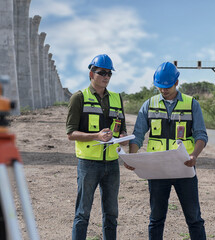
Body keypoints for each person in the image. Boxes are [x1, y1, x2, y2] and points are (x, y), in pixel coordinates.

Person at [125, 62, 207, 240]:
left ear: (177, 82)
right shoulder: (149, 104)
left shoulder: (192, 104)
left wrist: (194, 155)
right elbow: (138, 134)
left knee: (194, 219)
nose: (163, 91)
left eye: (167, 87)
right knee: (156, 219)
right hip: (157, 171)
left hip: (184, 169)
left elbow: (201, 135)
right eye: (159, 87)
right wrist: (132, 157)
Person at [66, 54, 127, 240]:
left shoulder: (117, 98)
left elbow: (121, 130)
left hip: (111, 164)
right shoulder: (79, 98)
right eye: (102, 73)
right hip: (88, 164)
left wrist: (123, 138)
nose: (106, 76)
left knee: (111, 215)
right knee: (82, 213)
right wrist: (97, 136)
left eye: (109, 73)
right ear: (91, 74)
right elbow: (71, 134)